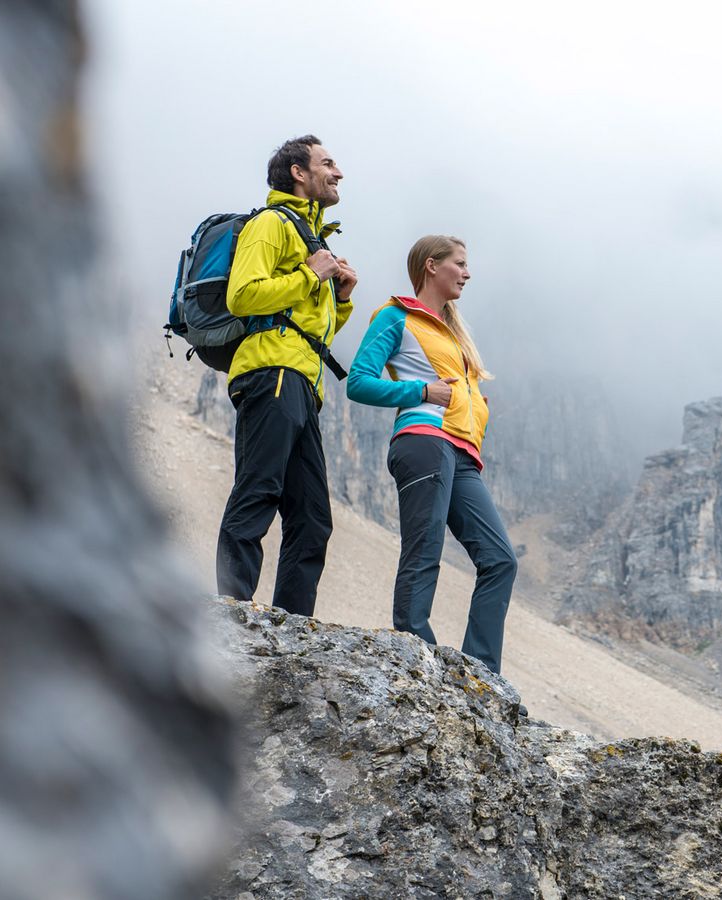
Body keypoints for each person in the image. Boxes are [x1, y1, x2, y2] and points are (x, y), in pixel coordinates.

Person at [345, 236, 517, 674]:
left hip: (461, 453)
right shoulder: (395, 317)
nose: (467, 272)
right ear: (431, 266)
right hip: (423, 441)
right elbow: (358, 382)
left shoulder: (454, 334)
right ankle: (415, 652)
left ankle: (482, 673)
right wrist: (420, 390)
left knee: (499, 560)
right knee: (424, 548)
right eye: (459, 263)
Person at [215, 135, 358, 616]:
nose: (338, 173)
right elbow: (242, 295)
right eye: (328, 163)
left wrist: (340, 299)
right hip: (271, 371)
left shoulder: (313, 238)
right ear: (299, 172)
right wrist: (309, 276)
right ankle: (231, 612)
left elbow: (314, 331)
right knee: (259, 489)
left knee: (313, 517)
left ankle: (292, 629)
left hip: (301, 379)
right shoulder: (272, 224)